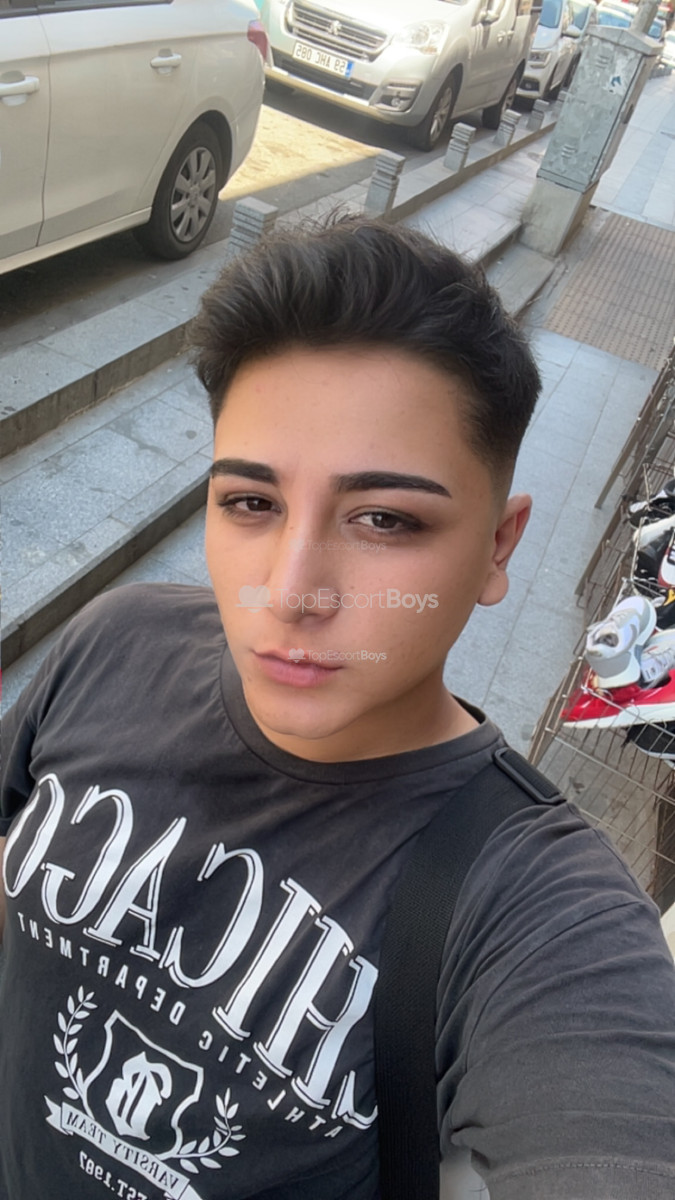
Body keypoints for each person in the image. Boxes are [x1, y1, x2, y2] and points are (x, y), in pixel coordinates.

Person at [1, 215, 673, 1200]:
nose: (290, 591)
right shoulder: (115, 643)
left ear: (497, 546)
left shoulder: (537, 909)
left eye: (384, 519)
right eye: (251, 503)